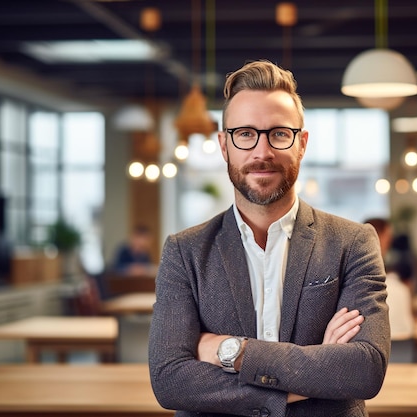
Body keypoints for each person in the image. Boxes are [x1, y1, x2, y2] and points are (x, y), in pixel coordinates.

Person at [149, 60, 390, 417]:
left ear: (302, 143)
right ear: (223, 145)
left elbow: (363, 369)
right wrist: (314, 372)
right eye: (245, 134)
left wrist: (229, 350)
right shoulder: (185, 252)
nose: (262, 152)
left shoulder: (353, 243)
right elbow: (170, 380)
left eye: (279, 133)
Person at [365, 218, 416, 362]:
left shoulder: (348, 288)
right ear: (381, 238)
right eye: (389, 237)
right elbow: (412, 325)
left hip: (368, 365)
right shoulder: (399, 288)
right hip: (404, 360)